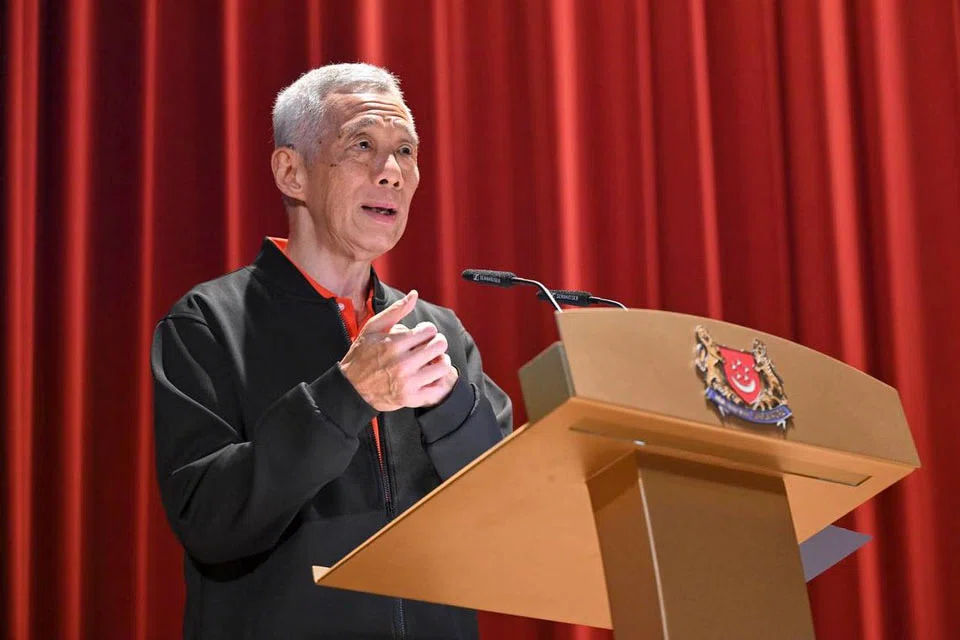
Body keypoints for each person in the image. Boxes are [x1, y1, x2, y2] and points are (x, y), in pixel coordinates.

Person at [151, 63, 512, 639]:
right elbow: (209, 521)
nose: (391, 172)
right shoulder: (207, 323)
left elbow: (508, 514)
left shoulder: (437, 333)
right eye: (362, 145)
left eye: (406, 151)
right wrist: (345, 396)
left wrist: (451, 408)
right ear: (292, 171)